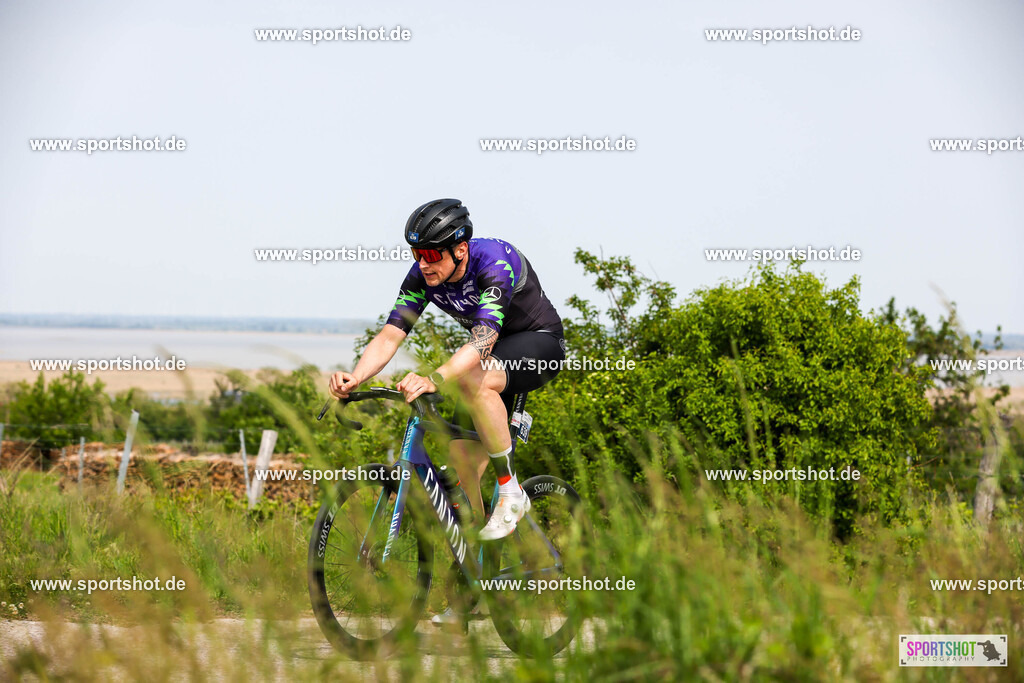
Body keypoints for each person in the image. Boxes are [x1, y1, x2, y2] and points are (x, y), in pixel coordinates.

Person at [328, 198, 565, 543]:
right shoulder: (422, 276)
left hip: (539, 344)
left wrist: (433, 379)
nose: (423, 264)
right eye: (416, 254)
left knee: (470, 380)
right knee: (461, 459)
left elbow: (483, 339)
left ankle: (512, 493)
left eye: (432, 255)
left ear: (461, 249)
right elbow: (391, 334)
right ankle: (481, 550)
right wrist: (357, 376)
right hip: (489, 358)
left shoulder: (494, 262)